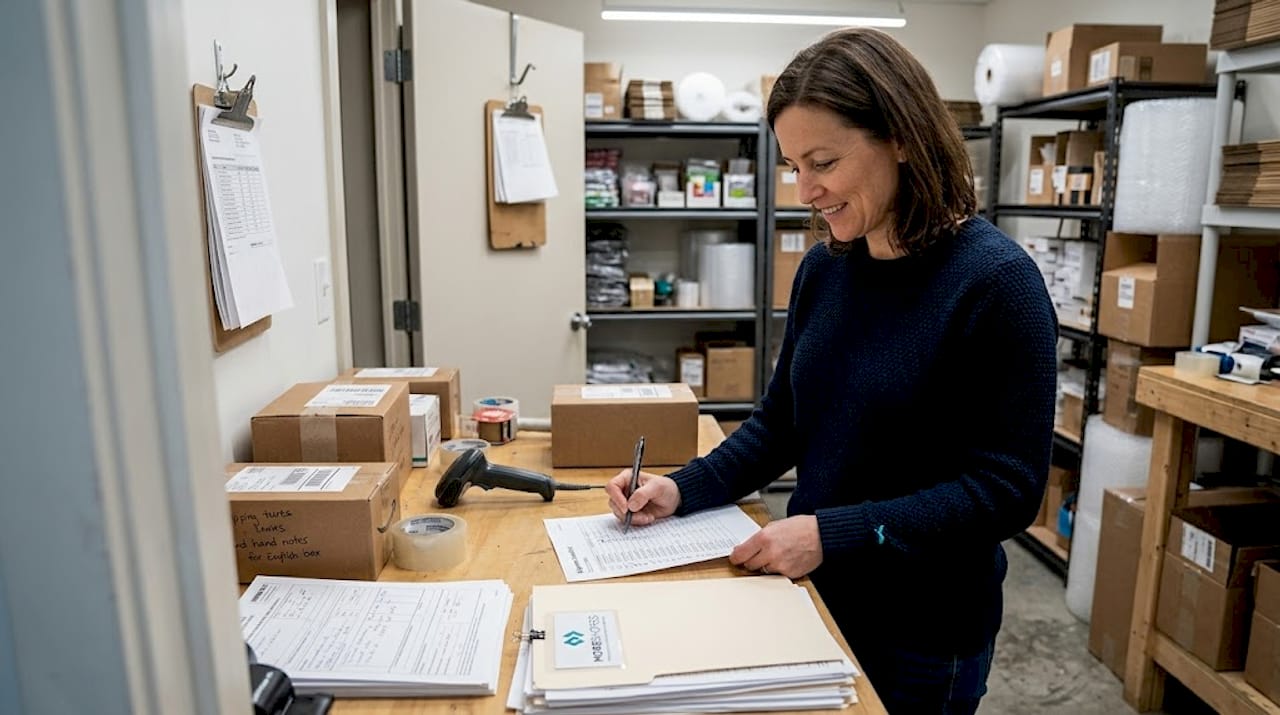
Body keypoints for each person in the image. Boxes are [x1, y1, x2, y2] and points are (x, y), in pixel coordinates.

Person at [606, 27, 1057, 715]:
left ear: (900, 137)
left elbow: (1007, 490)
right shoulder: (826, 267)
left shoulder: (997, 284)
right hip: (815, 594)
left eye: (822, 161)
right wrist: (680, 488)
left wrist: (831, 532)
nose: (805, 189)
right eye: (792, 165)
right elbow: (783, 422)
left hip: (926, 632)